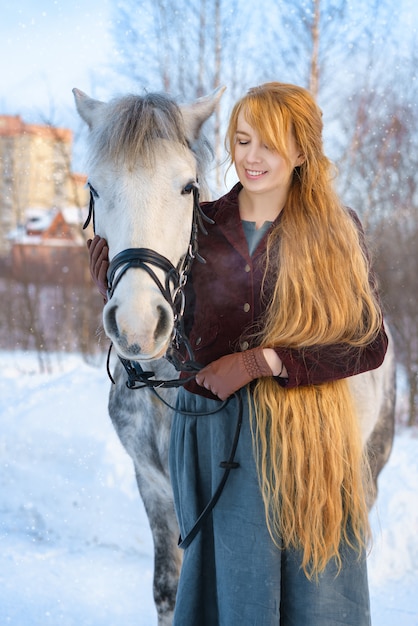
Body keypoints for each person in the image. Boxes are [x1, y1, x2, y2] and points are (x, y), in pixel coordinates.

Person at [88, 82, 388, 625]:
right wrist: (115, 264)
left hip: (309, 446)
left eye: (269, 144)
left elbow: (368, 342)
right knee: (232, 596)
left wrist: (261, 361)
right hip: (221, 446)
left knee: (313, 601)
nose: (252, 157)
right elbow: (173, 315)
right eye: (243, 140)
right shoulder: (201, 227)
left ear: (302, 151)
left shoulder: (337, 232)